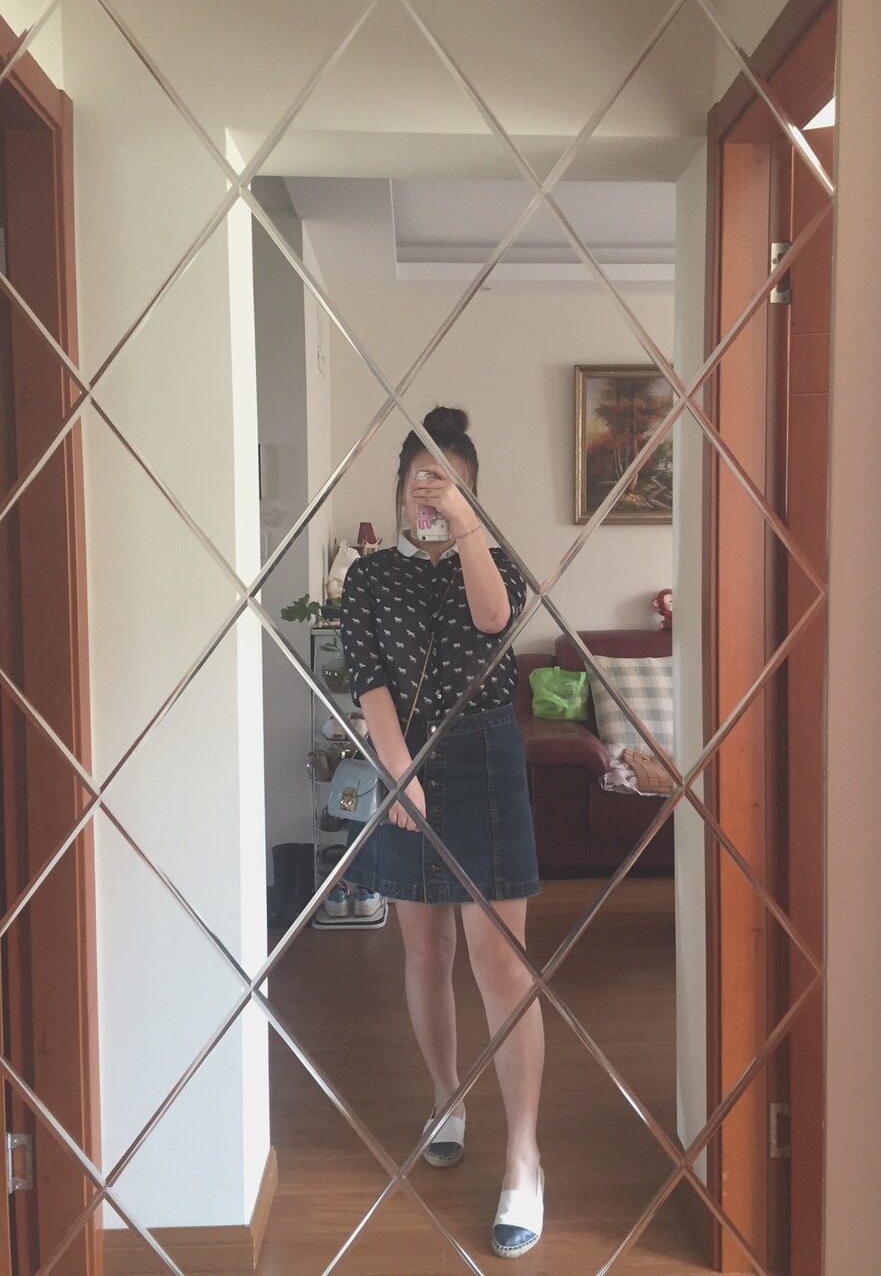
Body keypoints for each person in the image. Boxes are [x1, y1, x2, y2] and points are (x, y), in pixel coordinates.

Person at [339, 407, 545, 1260]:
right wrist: (399, 772)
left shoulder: (497, 564)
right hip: (406, 765)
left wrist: (465, 529)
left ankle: (524, 1158)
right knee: (426, 953)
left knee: (501, 966)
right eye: (422, 481)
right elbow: (370, 681)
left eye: (452, 484)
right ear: (397, 489)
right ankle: (446, 1096)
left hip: (487, 758)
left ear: (473, 496)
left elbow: (494, 623)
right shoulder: (367, 578)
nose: (431, 495)